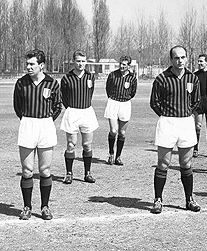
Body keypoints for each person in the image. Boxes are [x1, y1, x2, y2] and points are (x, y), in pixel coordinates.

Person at [150, 45, 201, 213]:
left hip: (186, 122)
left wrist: (185, 113)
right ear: (171, 60)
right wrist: (166, 115)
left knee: (186, 163)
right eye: (176, 58)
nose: (180, 61)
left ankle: (189, 199)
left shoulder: (193, 79)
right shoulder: (161, 79)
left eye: (183, 57)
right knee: (163, 163)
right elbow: (154, 102)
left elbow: (196, 101)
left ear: (187, 58)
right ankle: (158, 200)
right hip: (167, 123)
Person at [13, 49, 62, 220]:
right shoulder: (21, 83)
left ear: (41, 66)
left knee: (45, 169)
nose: (28, 67)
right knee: (27, 170)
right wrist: (28, 119)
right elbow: (17, 106)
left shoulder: (52, 83)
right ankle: (27, 207)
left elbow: (58, 106)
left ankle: (45, 207)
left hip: (46, 125)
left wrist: (47, 120)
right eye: (27, 63)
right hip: (27, 124)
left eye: (32, 64)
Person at [60, 50, 99, 184]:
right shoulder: (66, 78)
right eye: (78, 61)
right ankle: (69, 173)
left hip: (87, 112)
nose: (80, 63)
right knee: (71, 144)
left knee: (87, 145)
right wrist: (71, 108)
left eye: (83, 61)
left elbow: (90, 93)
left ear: (86, 62)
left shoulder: (90, 77)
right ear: (73, 62)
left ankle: (87, 173)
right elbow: (63, 96)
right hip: (72, 112)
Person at [104, 55, 137, 166]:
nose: (122, 66)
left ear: (128, 66)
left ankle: (118, 156)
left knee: (122, 133)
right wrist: (113, 98)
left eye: (124, 65)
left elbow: (133, 92)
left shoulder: (132, 77)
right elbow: (107, 89)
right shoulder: (113, 75)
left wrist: (125, 98)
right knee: (113, 131)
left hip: (125, 104)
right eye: (120, 64)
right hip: (113, 103)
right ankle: (111, 153)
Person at [193, 54, 207, 158]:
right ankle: (195, 149)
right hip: (199, 103)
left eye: (201, 61)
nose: (199, 63)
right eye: (198, 61)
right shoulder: (195, 75)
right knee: (198, 126)